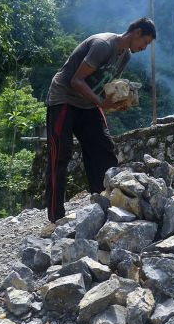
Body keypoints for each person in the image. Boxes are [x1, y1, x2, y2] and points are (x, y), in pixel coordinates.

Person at [43, 17, 156, 222]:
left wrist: (121, 100)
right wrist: (101, 103)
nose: (144, 48)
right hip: (64, 98)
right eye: (145, 42)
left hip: (88, 104)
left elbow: (105, 84)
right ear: (137, 32)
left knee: (104, 150)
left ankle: (105, 207)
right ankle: (56, 218)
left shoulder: (125, 56)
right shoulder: (103, 45)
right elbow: (75, 80)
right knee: (60, 155)